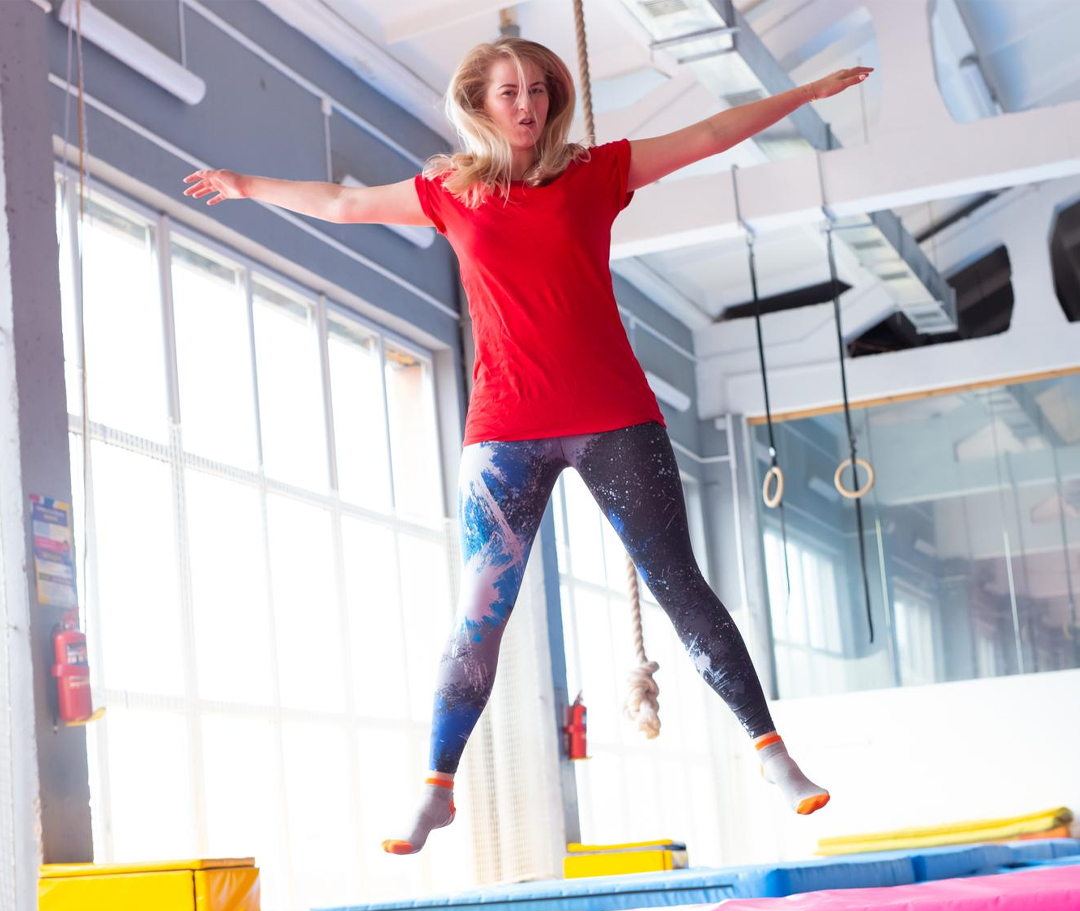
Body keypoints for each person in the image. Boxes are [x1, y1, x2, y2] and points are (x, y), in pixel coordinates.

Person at [183, 39, 872, 855]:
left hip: (614, 416)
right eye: (509, 91)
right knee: (480, 609)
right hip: (505, 427)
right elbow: (343, 203)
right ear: (478, 100)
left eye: (540, 91)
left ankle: (773, 755)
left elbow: (712, 134)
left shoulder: (597, 173)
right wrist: (246, 185)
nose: (527, 105)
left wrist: (804, 92)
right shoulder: (449, 194)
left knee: (678, 583)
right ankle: (437, 787)